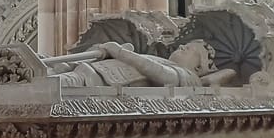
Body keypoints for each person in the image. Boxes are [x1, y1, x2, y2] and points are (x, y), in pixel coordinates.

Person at [43, 38, 236, 89]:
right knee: (44, 77)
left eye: (189, 49)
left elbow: (158, 72)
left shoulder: (187, 77)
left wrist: (121, 53)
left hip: (95, 81)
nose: (182, 45)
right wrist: (101, 52)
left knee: (44, 87)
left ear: (198, 68)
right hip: (88, 70)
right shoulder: (159, 59)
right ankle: (47, 67)